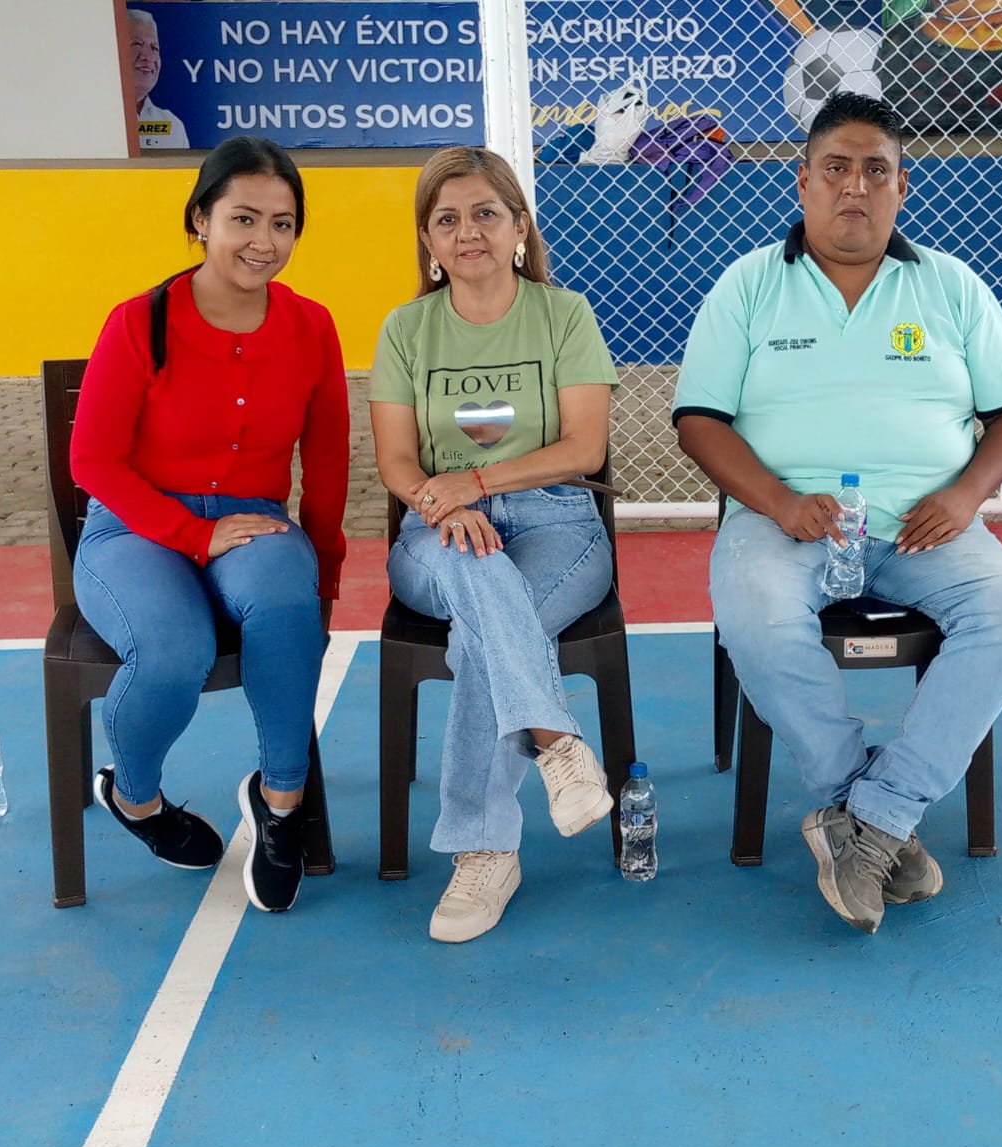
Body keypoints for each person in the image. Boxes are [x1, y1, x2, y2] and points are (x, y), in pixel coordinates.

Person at [673, 92, 1002, 935]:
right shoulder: (748, 285)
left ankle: (872, 820)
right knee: (757, 613)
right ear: (803, 182)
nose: (855, 186)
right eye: (836, 168)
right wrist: (777, 500)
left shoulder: (951, 286)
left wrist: (966, 495)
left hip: (926, 528)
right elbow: (698, 420)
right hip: (785, 521)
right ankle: (874, 812)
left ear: (901, 186)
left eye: (876, 170)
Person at [71, 136, 350, 914]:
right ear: (201, 219)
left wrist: (324, 579)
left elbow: (328, 461)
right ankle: (135, 799)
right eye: (244, 218)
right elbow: (93, 460)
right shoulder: (139, 322)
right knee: (173, 650)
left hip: (252, 524)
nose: (265, 242)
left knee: (288, 604)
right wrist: (192, 535)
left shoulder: (311, 327)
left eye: (284, 224)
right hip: (135, 527)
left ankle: (281, 803)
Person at [369, 146, 619, 945]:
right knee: (481, 583)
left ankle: (484, 851)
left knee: (487, 635)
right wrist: (443, 505)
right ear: (428, 240)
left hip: (555, 522)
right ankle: (556, 740)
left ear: (519, 226)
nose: (467, 231)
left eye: (485, 213)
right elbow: (396, 462)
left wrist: (477, 483)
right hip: (434, 531)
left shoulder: (564, 314)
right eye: (446, 219)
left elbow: (583, 447)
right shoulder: (406, 329)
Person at [127, 7, 190, 150]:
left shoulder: (173, 125)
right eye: (137, 44)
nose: (147, 56)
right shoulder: (94, 117)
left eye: (154, 48)